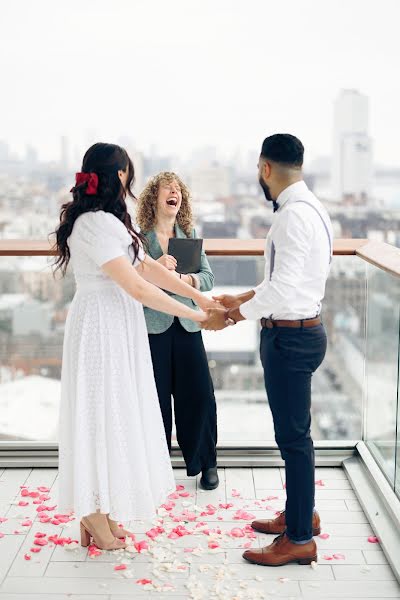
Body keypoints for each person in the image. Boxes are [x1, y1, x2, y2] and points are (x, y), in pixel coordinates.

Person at [54, 143, 216, 550]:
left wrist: (201, 299)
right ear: (118, 175)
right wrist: (198, 314)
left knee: (113, 415)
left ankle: (103, 513)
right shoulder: (93, 223)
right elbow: (138, 285)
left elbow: (147, 269)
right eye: (127, 172)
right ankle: (92, 512)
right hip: (100, 329)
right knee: (99, 416)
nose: (129, 179)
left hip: (117, 326)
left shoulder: (111, 221)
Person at [204, 134, 333, 567]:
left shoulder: (293, 217)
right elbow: (283, 281)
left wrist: (234, 317)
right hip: (301, 330)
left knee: (294, 440)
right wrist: (242, 299)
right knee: (295, 438)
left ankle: (299, 538)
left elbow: (285, 286)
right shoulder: (310, 208)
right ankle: (301, 516)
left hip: (291, 339)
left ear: (264, 168)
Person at [136, 172, 218, 490]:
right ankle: (156, 469)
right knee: (155, 400)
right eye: (167, 189)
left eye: (178, 190)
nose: (174, 193)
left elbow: (208, 278)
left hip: (186, 325)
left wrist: (183, 280)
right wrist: (158, 266)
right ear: (154, 198)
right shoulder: (140, 239)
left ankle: (207, 463)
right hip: (152, 328)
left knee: (199, 395)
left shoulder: (188, 235)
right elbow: (133, 281)